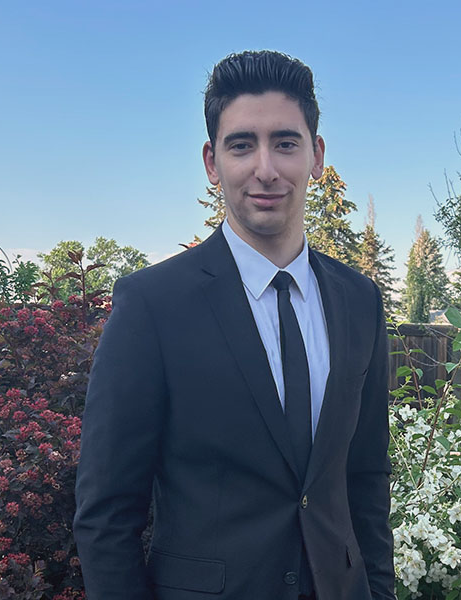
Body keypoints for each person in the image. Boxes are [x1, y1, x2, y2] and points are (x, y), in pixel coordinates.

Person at [73, 50, 395, 600]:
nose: (264, 168)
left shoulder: (359, 300)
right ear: (211, 161)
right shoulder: (153, 304)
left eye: (286, 143)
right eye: (242, 144)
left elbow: (365, 479)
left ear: (316, 156)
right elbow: (106, 512)